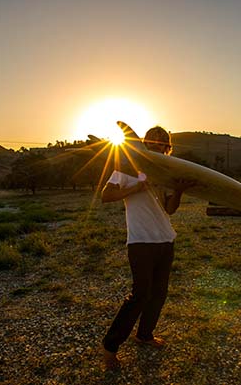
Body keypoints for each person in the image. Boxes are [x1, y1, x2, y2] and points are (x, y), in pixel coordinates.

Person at [100, 126, 193, 370]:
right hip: (140, 240)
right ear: (146, 143)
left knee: (159, 293)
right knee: (140, 294)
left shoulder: (167, 174)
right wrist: (137, 187)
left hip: (165, 238)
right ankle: (110, 347)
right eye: (154, 140)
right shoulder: (127, 169)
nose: (158, 144)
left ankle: (144, 334)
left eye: (163, 142)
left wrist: (179, 191)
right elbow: (106, 195)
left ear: (167, 147)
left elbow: (169, 209)